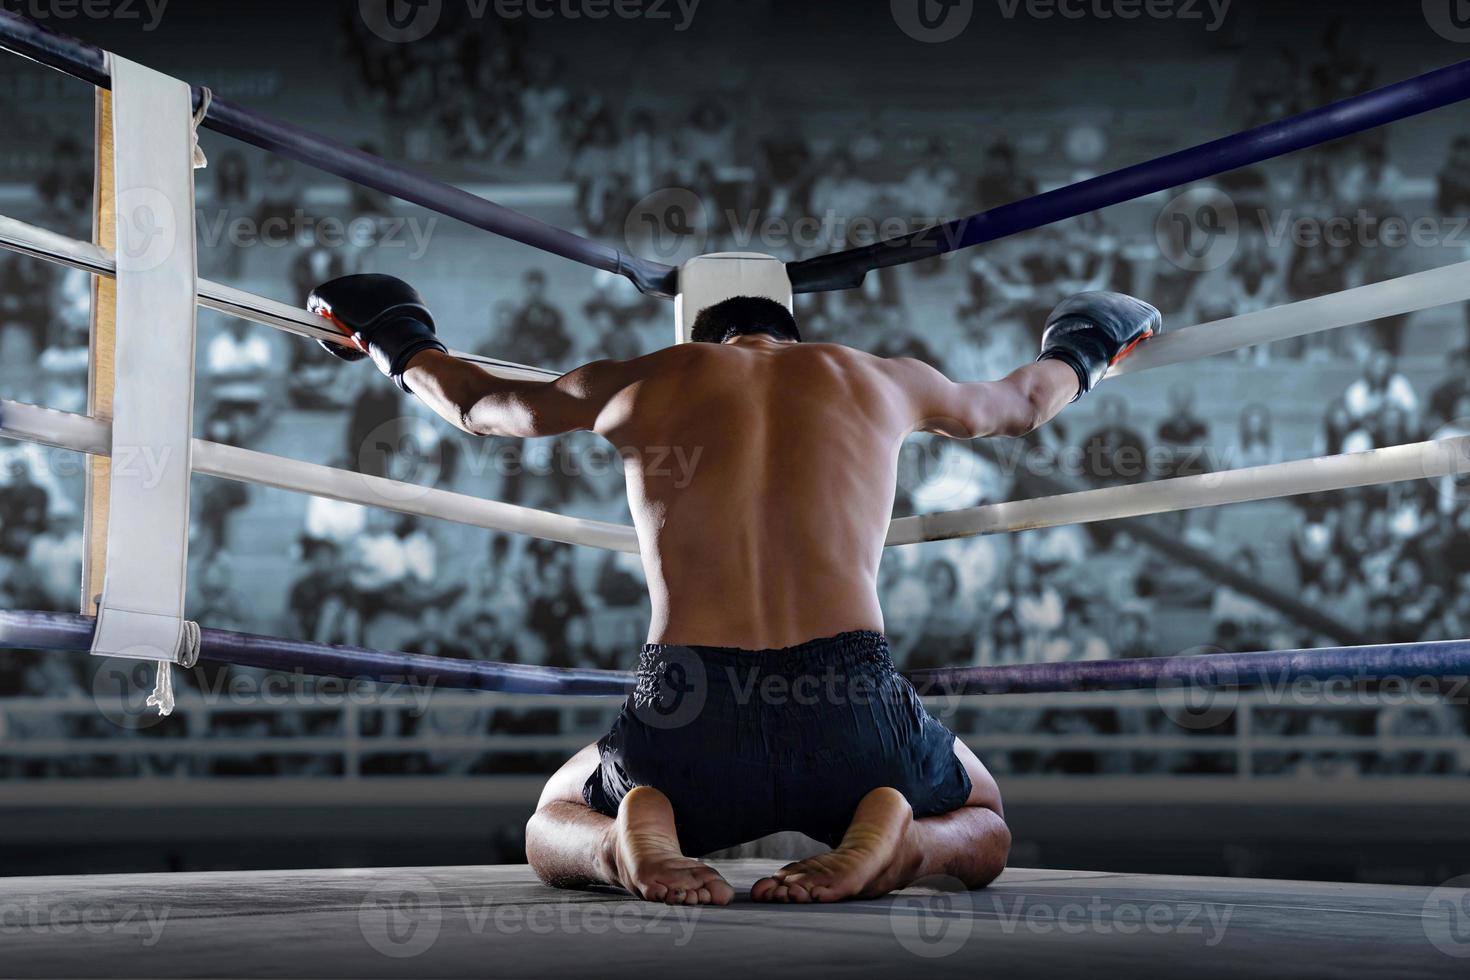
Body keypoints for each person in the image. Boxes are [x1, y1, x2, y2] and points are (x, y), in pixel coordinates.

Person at [309, 273, 1161, 906]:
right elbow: (1015, 403)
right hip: (848, 699)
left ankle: (626, 845)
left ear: (706, 339)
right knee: (986, 816)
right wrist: (1087, 341)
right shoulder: (879, 376)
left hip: (686, 711)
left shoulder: (647, 376)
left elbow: (481, 404)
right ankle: (901, 846)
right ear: (789, 336)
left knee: (551, 816)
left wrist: (390, 335)